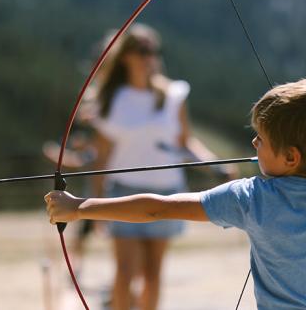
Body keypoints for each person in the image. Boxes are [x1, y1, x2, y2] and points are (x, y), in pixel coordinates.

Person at [45, 74, 306, 309]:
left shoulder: (251, 198)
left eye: (261, 140)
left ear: (292, 157)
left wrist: (79, 207)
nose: (254, 146)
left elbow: (157, 208)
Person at [81, 23, 234, 310]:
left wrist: (215, 165)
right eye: (142, 50)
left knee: (152, 275)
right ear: (125, 56)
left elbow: (186, 142)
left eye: (152, 50)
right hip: (124, 193)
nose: (148, 56)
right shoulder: (111, 101)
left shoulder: (173, 96)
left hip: (168, 194)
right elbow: (101, 160)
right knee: (125, 273)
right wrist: (96, 207)